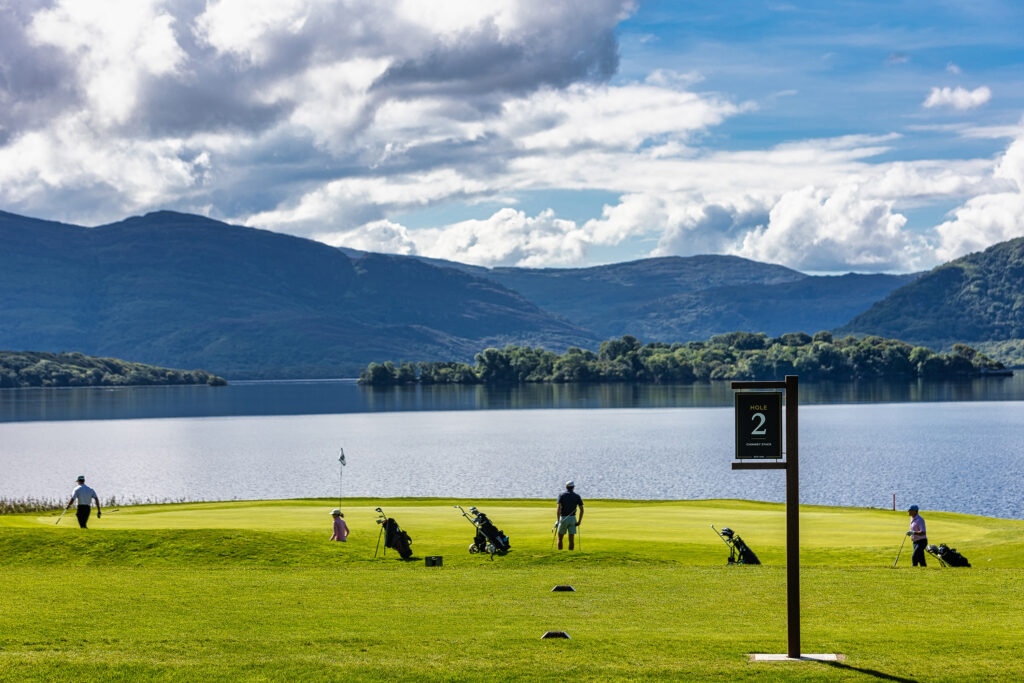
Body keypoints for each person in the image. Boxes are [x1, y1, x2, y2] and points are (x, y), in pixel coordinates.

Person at [555, 480, 584, 550]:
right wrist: (579, 521)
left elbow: (558, 509)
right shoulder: (577, 496)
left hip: (563, 518)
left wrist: (558, 520)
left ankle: (560, 553)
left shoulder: (561, 495)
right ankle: (570, 553)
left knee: (560, 538)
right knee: (571, 540)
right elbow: (582, 510)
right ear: (573, 487)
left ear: (566, 487)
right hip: (572, 519)